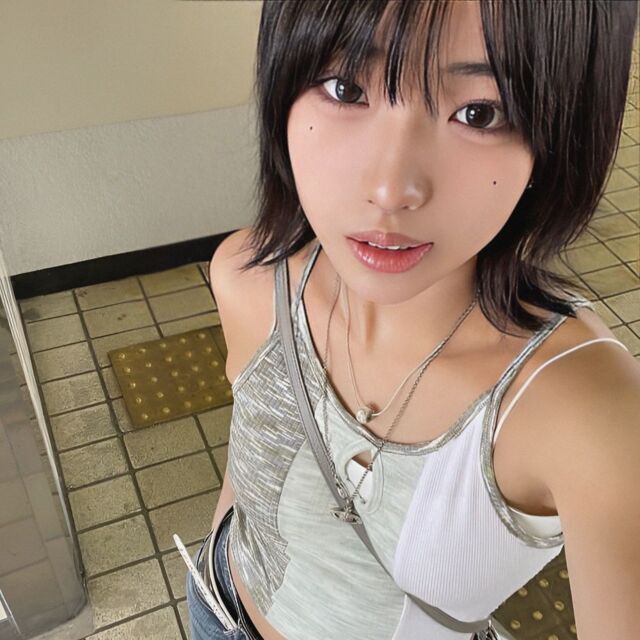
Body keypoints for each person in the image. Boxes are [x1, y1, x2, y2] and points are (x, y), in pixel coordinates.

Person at [184, 1, 640, 639]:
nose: (390, 189)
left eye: (478, 113)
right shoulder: (250, 279)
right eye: (346, 89)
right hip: (219, 607)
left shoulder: (589, 412)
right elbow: (250, 480)